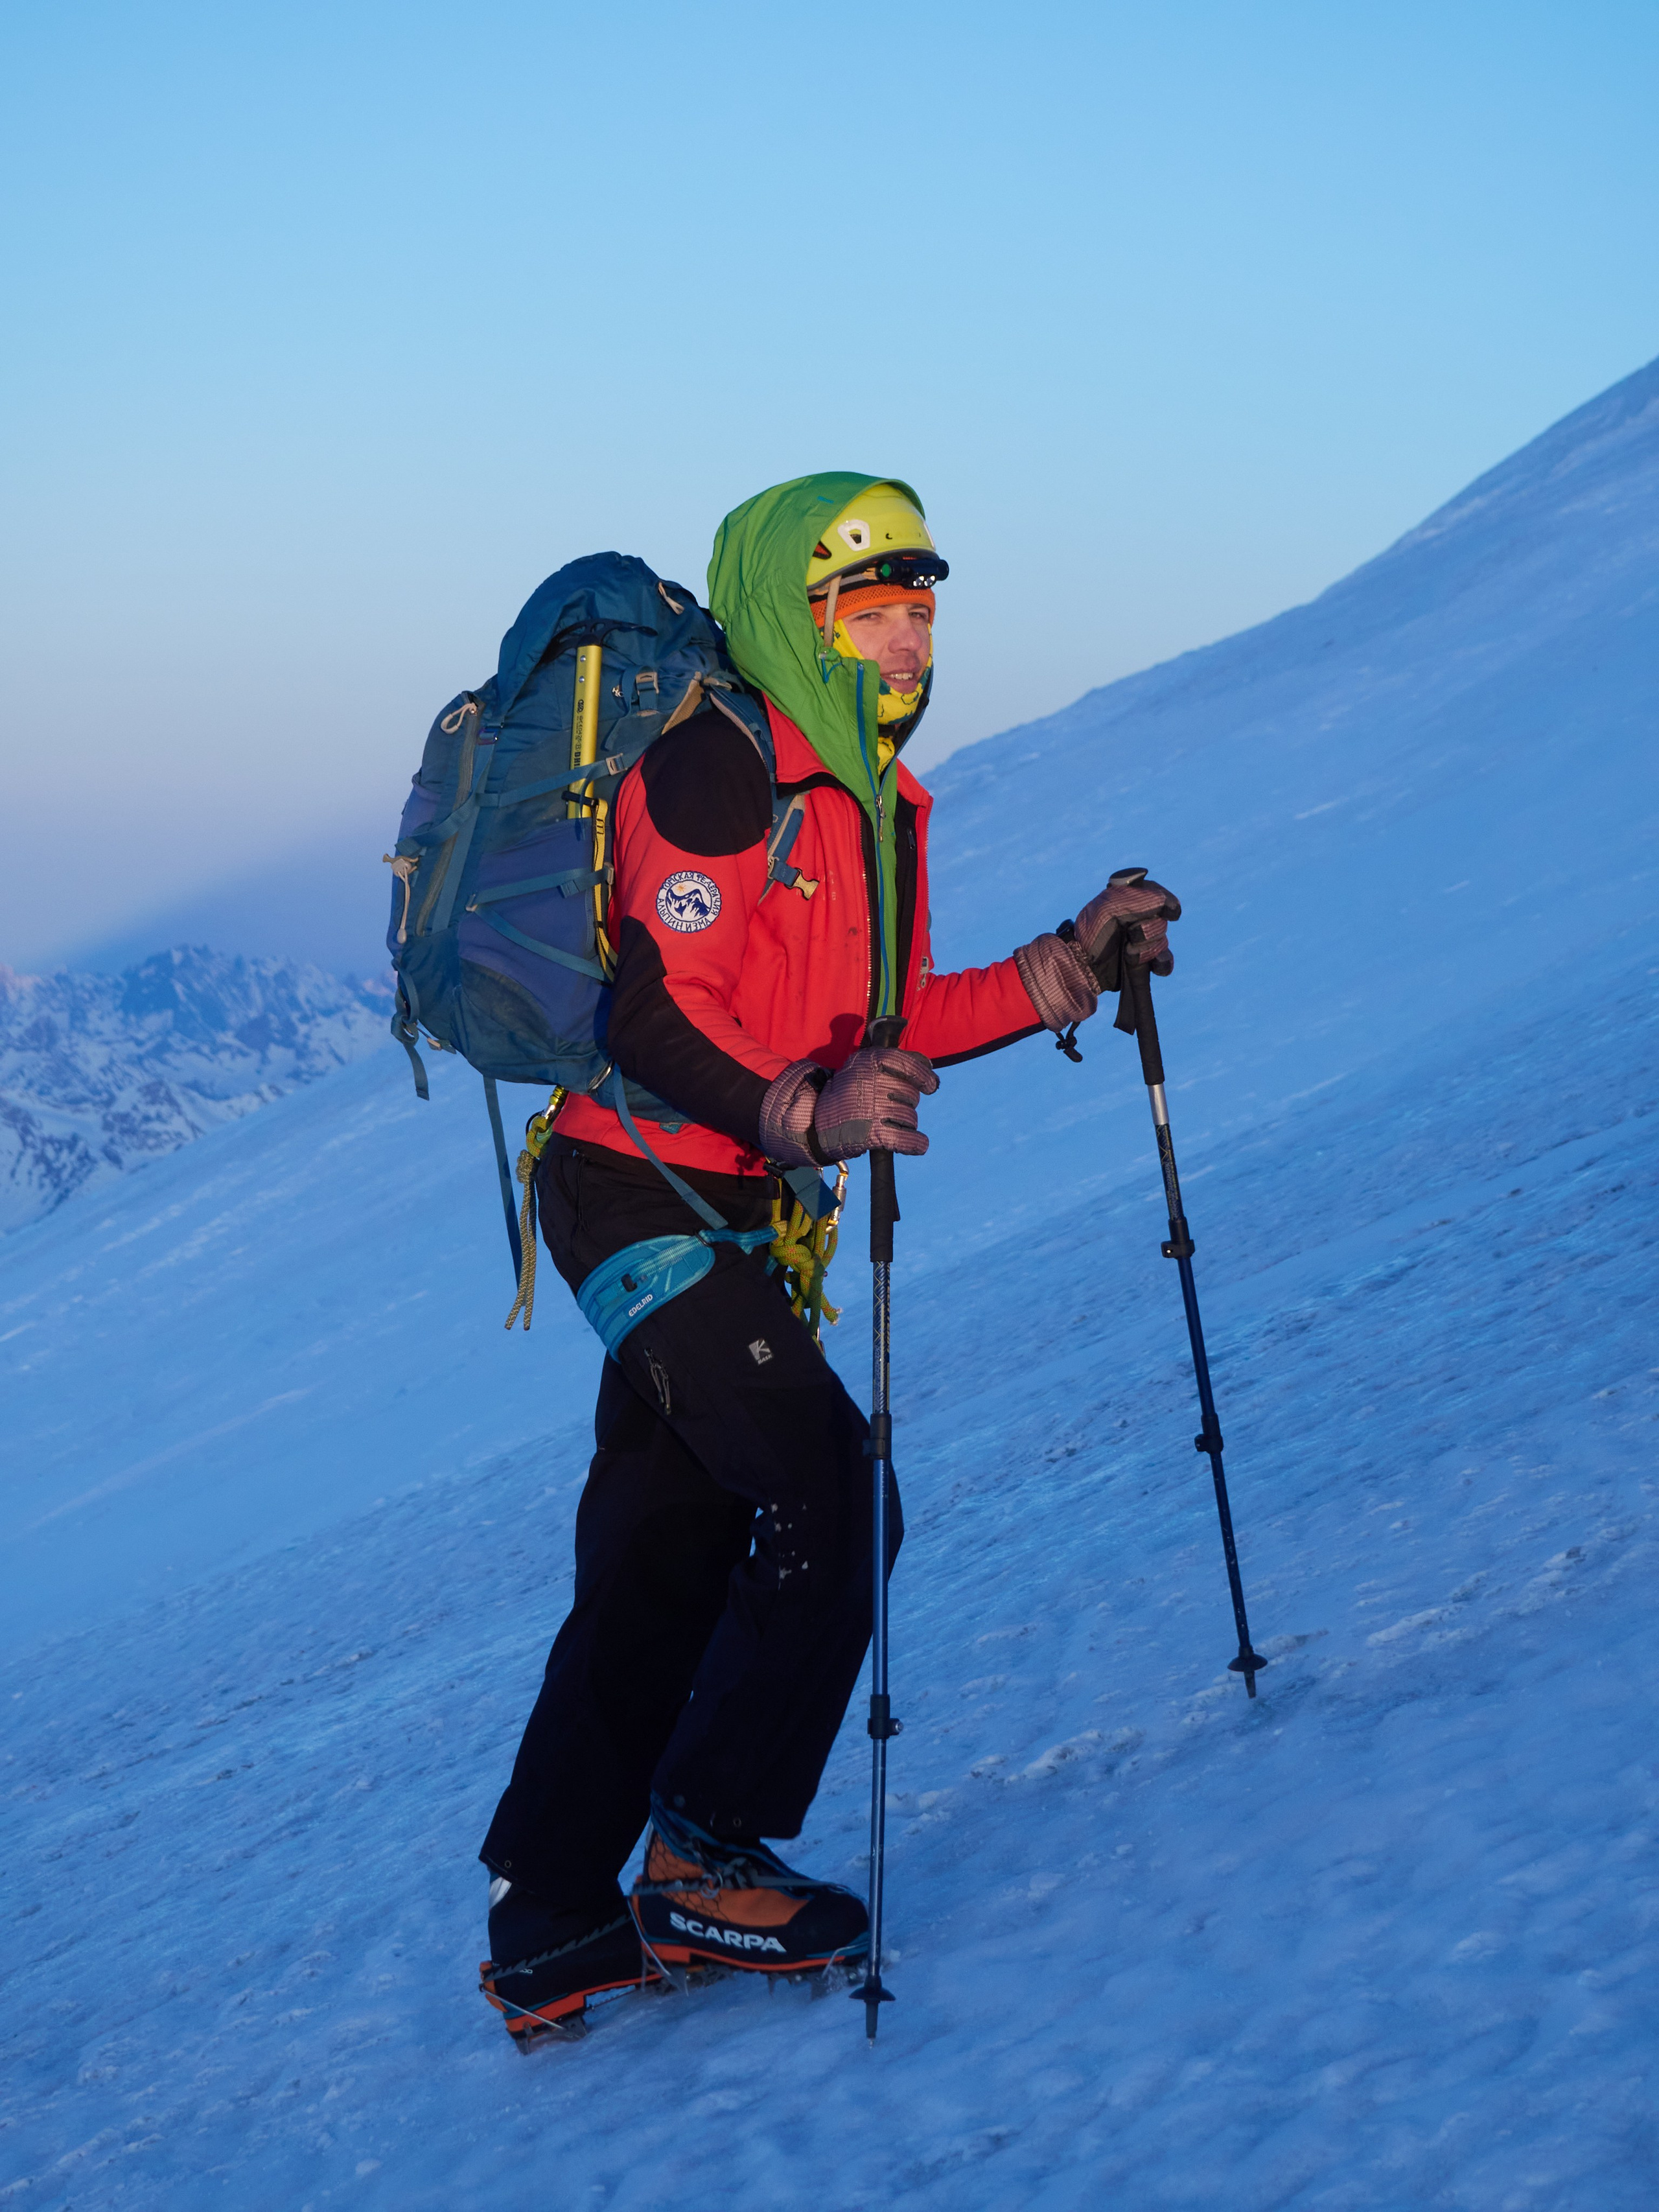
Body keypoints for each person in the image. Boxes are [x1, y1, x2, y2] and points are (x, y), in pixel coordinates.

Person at [478, 474, 1179, 2039]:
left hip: (724, 1202)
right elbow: (646, 1012)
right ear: (794, 619)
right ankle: (702, 1855)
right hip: (637, 1190)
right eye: (868, 606)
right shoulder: (720, 773)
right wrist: (804, 1110)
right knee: (829, 1483)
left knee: (661, 1552)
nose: (906, 634)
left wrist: (1065, 963)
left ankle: (549, 1920)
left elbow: (881, 1025)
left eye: (921, 603)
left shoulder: (862, 795)